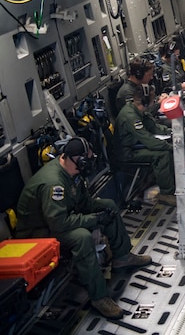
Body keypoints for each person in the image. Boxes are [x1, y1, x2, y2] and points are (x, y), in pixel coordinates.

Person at [16, 137, 152, 320]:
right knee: (81, 237)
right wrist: (94, 219)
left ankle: (122, 257)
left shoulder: (72, 171)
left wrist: (101, 212)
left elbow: (83, 201)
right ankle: (99, 297)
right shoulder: (54, 184)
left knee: (109, 205)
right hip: (38, 232)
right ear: (74, 159)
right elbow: (59, 223)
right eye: (85, 160)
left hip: (58, 220)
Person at [114, 85, 176, 207]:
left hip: (136, 145)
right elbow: (149, 140)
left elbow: (153, 127)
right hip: (127, 153)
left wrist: (171, 133)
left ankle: (171, 184)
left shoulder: (137, 109)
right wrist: (171, 146)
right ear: (145, 102)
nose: (155, 102)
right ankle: (166, 194)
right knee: (162, 154)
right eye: (153, 99)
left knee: (166, 147)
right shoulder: (130, 116)